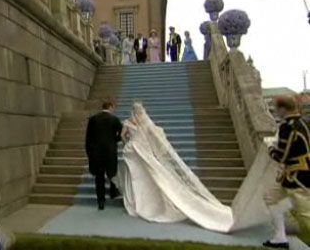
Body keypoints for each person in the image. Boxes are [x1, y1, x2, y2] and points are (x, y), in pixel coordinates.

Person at [117, 102, 272, 233]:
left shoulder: (127, 122)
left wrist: (128, 143)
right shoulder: (146, 123)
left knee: (137, 177)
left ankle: (137, 202)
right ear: (142, 111)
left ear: (133, 111)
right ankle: (145, 202)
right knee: (146, 176)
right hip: (142, 151)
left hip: (133, 150)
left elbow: (124, 137)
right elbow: (156, 136)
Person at [263, 96, 310, 249]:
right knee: (270, 197)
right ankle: (280, 238)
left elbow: (282, 156)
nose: (276, 111)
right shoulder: (302, 122)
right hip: (291, 174)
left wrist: (270, 147)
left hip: (299, 176)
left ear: (283, 109)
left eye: (277, 108)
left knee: (306, 214)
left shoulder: (288, 126)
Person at [85, 99, 123, 210]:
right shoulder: (114, 119)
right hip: (110, 152)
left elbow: (88, 138)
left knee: (99, 177)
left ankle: (101, 201)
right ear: (110, 107)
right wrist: (114, 140)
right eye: (114, 107)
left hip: (96, 153)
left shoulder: (93, 119)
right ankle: (112, 192)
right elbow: (122, 133)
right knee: (112, 173)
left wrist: (89, 152)